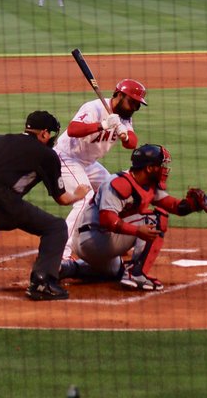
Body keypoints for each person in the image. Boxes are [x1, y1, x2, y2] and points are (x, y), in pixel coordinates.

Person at [0, 111, 89, 301]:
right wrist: (78, 194)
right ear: (43, 133)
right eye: (50, 134)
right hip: (0, 201)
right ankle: (42, 283)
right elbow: (62, 199)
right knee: (56, 227)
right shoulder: (46, 154)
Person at [64, 144, 207, 292]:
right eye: (161, 165)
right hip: (93, 237)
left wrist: (193, 205)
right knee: (155, 219)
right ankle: (136, 274)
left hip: (98, 240)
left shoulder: (148, 184)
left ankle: (67, 269)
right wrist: (137, 231)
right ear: (149, 168)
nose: (164, 169)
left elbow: (174, 207)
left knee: (114, 272)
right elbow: (107, 220)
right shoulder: (118, 184)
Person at [55, 78, 146, 264]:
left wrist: (124, 134)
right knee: (85, 199)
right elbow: (72, 130)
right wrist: (103, 125)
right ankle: (59, 252)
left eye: (137, 105)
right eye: (132, 102)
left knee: (115, 191)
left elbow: (132, 144)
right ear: (119, 96)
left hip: (88, 163)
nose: (133, 108)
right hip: (66, 158)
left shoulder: (124, 116)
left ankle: (113, 241)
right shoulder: (94, 108)